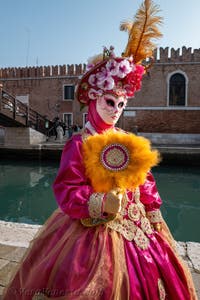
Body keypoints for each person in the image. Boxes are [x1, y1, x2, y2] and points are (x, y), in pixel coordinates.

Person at [3, 1, 197, 299]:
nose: (116, 110)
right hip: (91, 231)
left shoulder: (127, 139)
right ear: (94, 100)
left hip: (139, 228)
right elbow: (67, 189)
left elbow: (145, 179)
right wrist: (101, 201)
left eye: (122, 104)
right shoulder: (79, 143)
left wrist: (153, 210)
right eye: (110, 102)